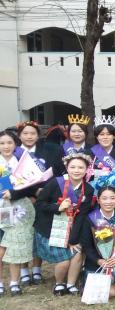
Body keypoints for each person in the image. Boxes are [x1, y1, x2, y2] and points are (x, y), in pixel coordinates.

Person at [34, 153, 94, 295]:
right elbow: (40, 204)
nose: (76, 170)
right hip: (49, 228)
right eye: (73, 167)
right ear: (67, 168)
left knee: (77, 252)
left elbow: (82, 215)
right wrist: (57, 207)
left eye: (80, 167)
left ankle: (71, 284)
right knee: (64, 260)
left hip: (72, 227)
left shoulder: (88, 189)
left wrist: (73, 240)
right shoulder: (56, 183)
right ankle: (59, 284)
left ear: (87, 170)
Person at [13, 121, 63, 286]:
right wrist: (31, 193)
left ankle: (36, 269)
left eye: (33, 133)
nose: (29, 136)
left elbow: (54, 173)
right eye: (25, 133)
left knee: (38, 232)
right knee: (22, 234)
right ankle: (23, 270)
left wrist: (42, 193)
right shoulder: (14, 153)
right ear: (19, 135)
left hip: (42, 197)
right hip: (20, 199)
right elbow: (11, 180)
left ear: (38, 135)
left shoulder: (47, 151)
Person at [74, 187, 115, 299]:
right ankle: (113, 286)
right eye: (104, 198)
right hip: (96, 262)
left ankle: (114, 283)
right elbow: (87, 246)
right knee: (109, 292)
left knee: (113, 283)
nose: (108, 202)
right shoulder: (90, 218)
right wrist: (99, 261)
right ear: (98, 200)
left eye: (112, 198)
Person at [0, 131, 37, 296]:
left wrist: (13, 194)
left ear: (15, 144)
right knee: (1, 248)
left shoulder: (23, 163)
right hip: (1, 207)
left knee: (14, 244)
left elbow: (31, 186)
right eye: (2, 143)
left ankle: (14, 282)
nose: (6, 146)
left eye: (9, 143)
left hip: (18, 208)